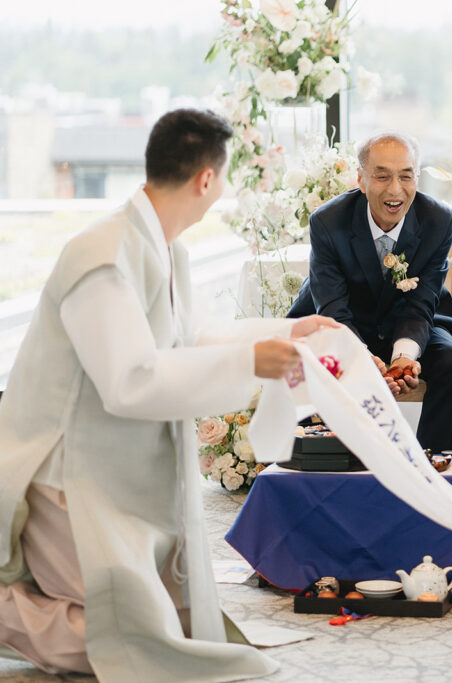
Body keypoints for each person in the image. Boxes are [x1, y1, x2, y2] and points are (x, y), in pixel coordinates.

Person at [0, 109, 339, 681]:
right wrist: (249, 363)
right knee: (127, 642)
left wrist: (286, 333)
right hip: (70, 475)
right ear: (208, 179)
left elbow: (192, 341)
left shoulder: (166, 248)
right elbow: (129, 381)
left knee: (173, 630)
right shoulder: (103, 254)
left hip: (123, 471)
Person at [290, 132, 452, 453]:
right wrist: (360, 358)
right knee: (308, 362)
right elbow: (332, 307)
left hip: (411, 324)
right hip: (340, 326)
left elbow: (422, 301)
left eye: (406, 176)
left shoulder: (438, 221)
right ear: (360, 179)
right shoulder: (327, 222)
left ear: (417, 176)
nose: (395, 189)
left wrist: (403, 358)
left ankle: (430, 466)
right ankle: (320, 462)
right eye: (382, 176)